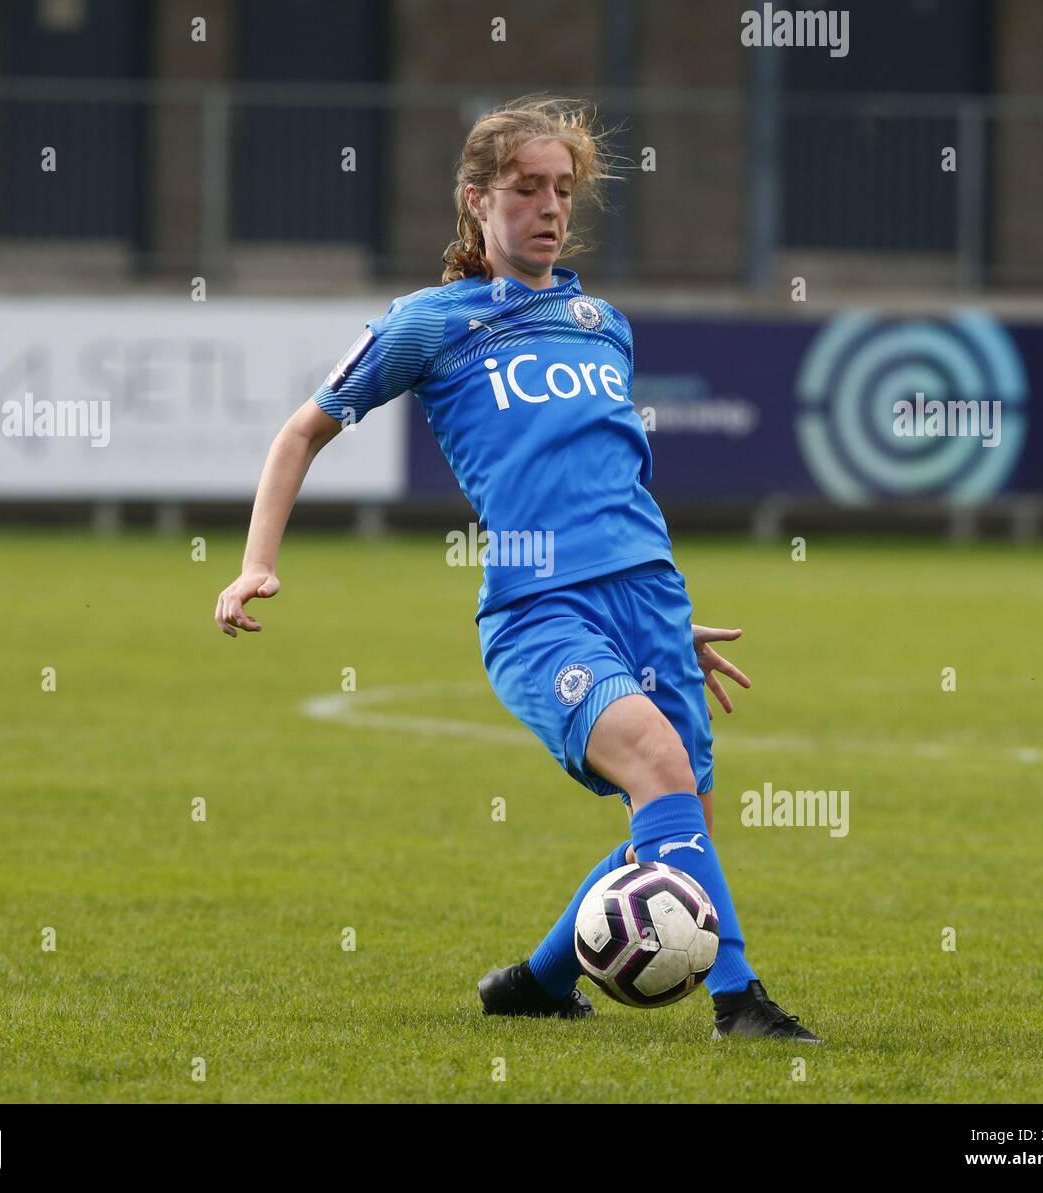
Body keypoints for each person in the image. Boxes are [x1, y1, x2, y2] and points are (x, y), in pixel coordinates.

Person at [215, 95, 820, 1043]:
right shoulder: (429, 323)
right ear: (475, 200)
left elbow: (610, 478)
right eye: (526, 188)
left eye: (562, 190)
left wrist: (665, 619)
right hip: (539, 610)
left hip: (650, 596)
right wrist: (255, 564)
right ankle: (738, 1003)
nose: (549, 207)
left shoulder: (603, 322)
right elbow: (302, 432)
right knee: (661, 772)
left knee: (676, 821)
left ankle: (537, 984)